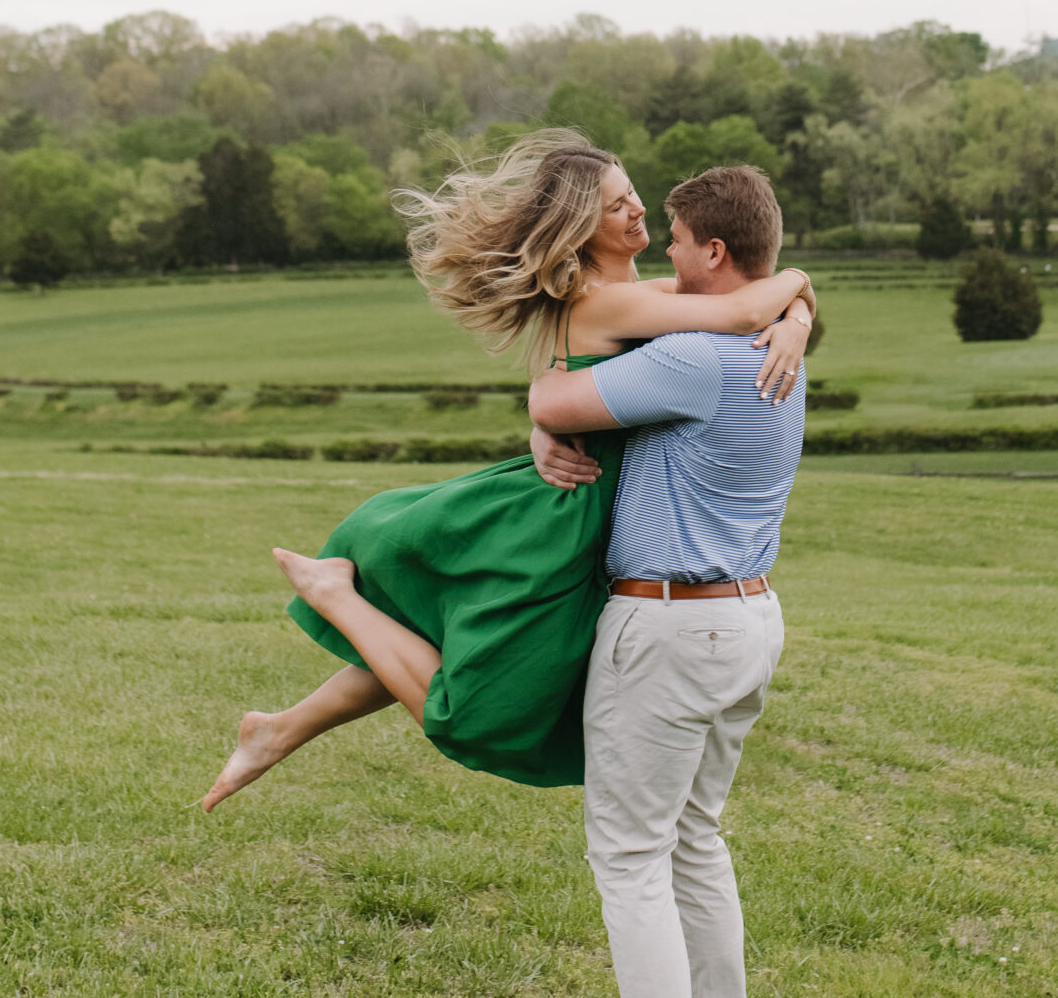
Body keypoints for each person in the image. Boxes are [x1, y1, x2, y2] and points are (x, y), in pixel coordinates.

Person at [202, 133, 813, 810]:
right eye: (616, 205)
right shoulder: (607, 300)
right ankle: (332, 596)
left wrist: (797, 316)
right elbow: (745, 307)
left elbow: (737, 303)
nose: (637, 211)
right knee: (479, 707)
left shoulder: (636, 291)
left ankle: (280, 728)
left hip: (594, 503)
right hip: (566, 513)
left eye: (632, 192)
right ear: (581, 226)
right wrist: (795, 293)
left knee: (444, 632)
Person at [526, 163, 805, 998]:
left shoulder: (693, 356)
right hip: (747, 618)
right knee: (694, 841)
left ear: (716, 253)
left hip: (670, 625)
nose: (668, 255)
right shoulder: (777, 347)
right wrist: (802, 303)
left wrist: (537, 412)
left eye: (680, 242)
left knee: (631, 856)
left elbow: (560, 400)